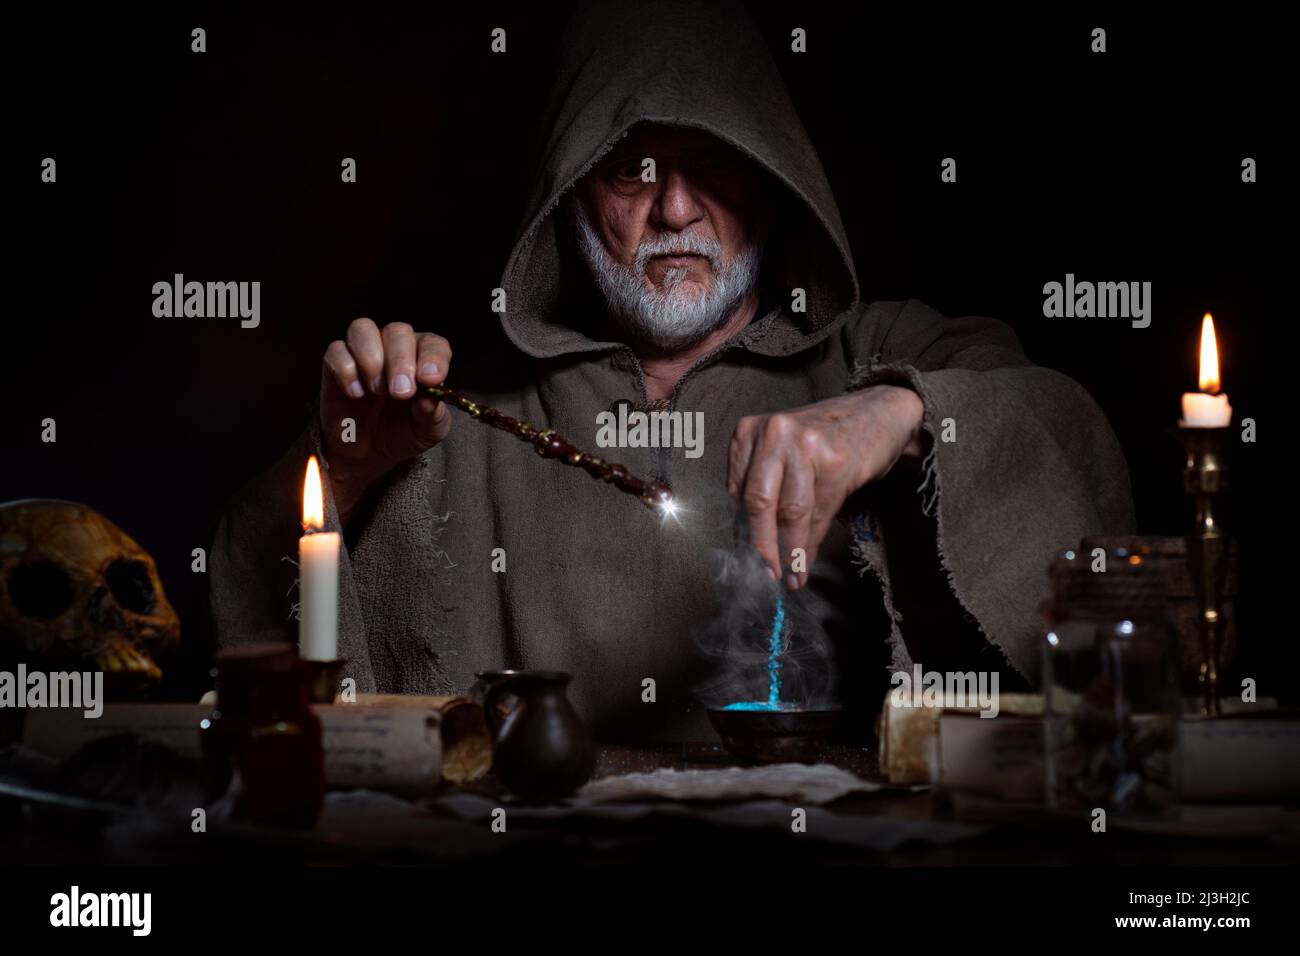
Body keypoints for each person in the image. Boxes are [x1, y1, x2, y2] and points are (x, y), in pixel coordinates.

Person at [210, 0, 1133, 742]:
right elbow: (251, 591)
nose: (677, 208)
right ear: (571, 197)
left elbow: (1067, 432)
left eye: (716, 168)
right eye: (631, 173)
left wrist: (898, 415)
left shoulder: (877, 349)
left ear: (776, 186)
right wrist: (346, 464)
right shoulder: (454, 406)